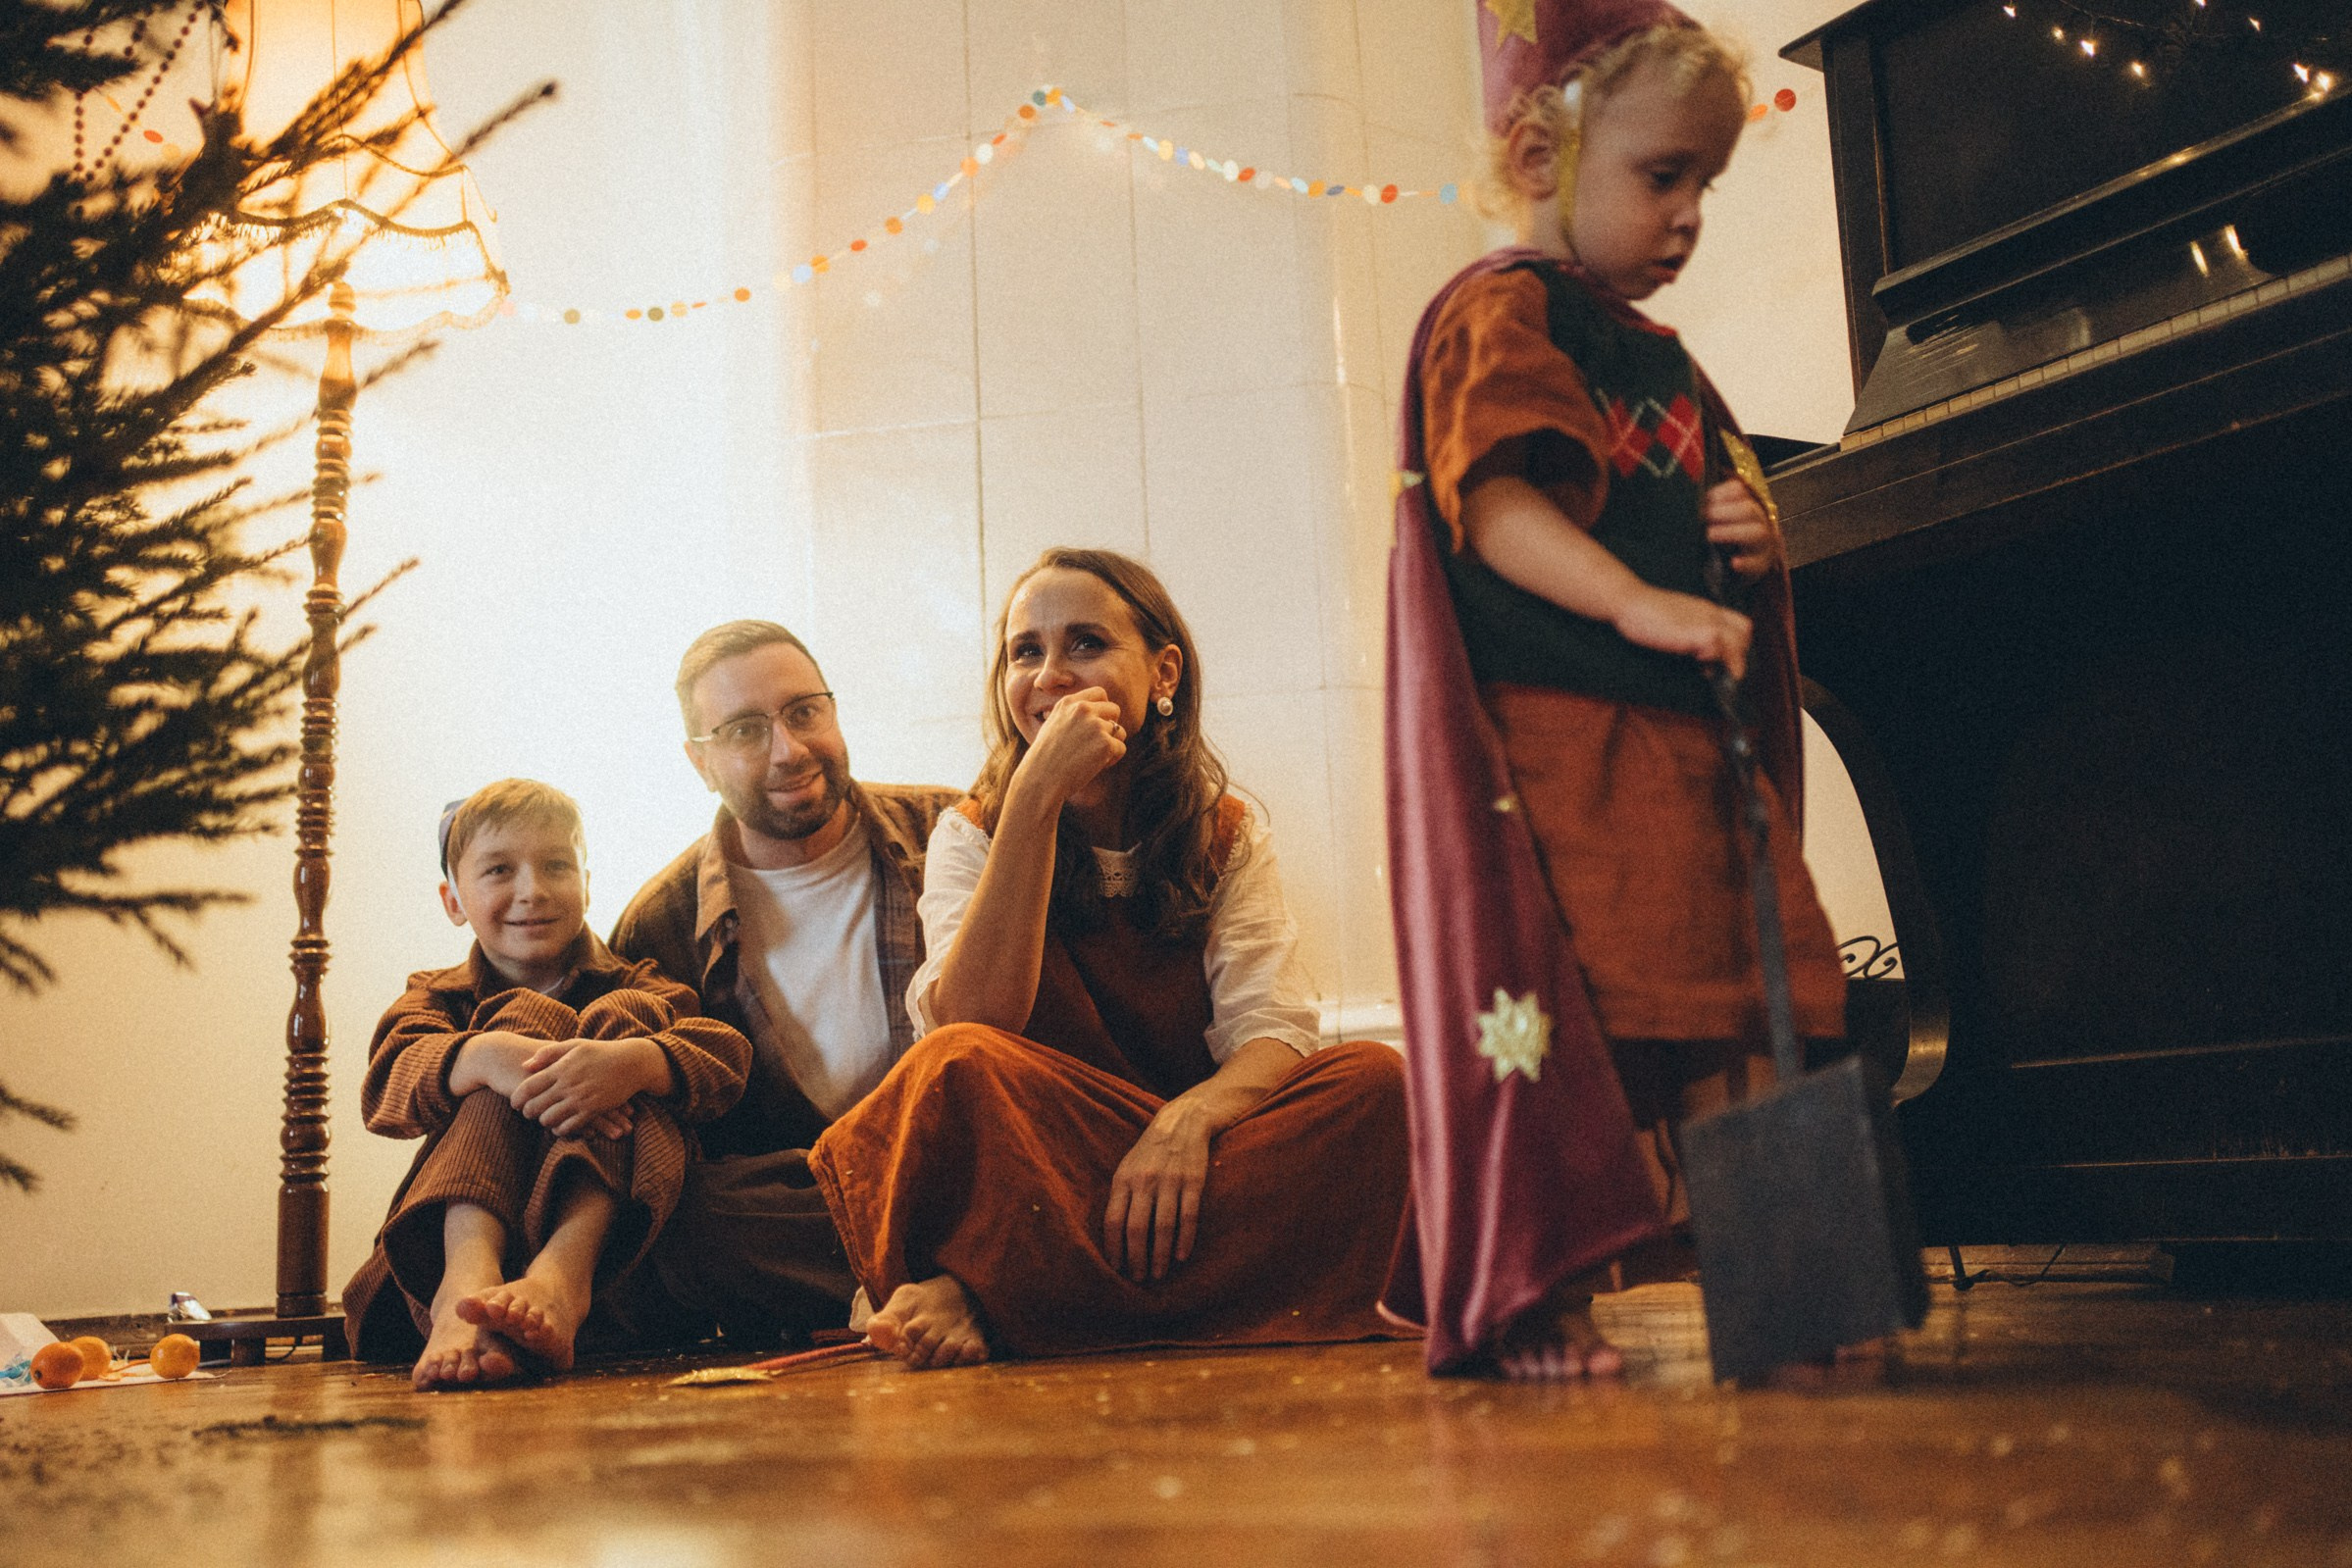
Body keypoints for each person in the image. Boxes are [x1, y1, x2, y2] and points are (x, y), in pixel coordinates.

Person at [1379, 0, 1848, 1380]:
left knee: (1745, 986)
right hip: (1565, 741)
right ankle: (1541, 1294)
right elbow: (1498, 505)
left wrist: (1746, 534)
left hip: (1677, 742)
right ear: (1537, 149)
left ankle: (1792, 1285)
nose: (1690, 213)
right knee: (1577, 1010)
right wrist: (1639, 598)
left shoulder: (1649, 350)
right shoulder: (1503, 313)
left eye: (1706, 179)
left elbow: (1700, 490)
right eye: (1663, 175)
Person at [808, 548, 1411, 1370]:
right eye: (1026, 651)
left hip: (1188, 1167)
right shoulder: (972, 830)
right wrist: (1033, 802)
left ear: (1163, 671)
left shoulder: (1224, 830)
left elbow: (1269, 1030)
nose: (1049, 675)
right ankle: (1156, 1296)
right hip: (1043, 1156)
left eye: (1085, 643)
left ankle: (1000, 1294)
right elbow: (973, 1023)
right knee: (954, 1062)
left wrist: (1186, 1121)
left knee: (1374, 1082)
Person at [607, 621, 960, 1340]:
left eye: (804, 712)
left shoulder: (952, 829)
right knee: (686, 1213)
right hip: (811, 1212)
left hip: (957, 1170)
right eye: (743, 730)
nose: (788, 750)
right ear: (699, 763)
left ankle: (929, 1283)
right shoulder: (659, 923)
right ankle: (949, 1286)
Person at [341, 780, 754, 1390]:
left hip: (617, 1279)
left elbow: (726, 1059)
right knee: (513, 1028)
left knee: (627, 1024)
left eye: (556, 865)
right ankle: (470, 1274)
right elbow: (386, 1086)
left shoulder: (639, 984)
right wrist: (486, 1057)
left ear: (587, 882)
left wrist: (629, 1067)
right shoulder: (436, 996)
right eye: (499, 870)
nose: (531, 891)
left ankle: (563, 1273)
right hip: (430, 1289)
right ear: (453, 901)